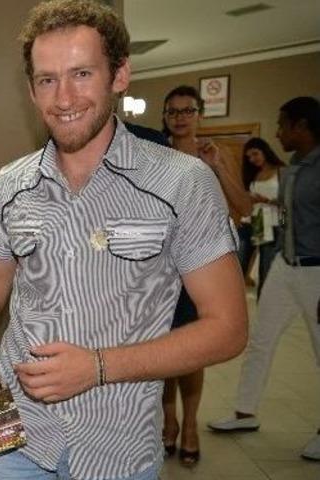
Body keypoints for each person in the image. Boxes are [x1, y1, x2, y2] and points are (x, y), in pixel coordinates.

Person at [0, 1, 247, 478]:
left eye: (81, 74)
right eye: (47, 79)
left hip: (118, 448)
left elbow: (228, 328)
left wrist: (97, 366)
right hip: (12, 440)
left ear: (119, 75)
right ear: (30, 89)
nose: (64, 98)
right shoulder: (11, 184)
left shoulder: (183, 182)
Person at [208, 96, 320, 462]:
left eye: (283, 125)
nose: (277, 132)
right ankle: (245, 412)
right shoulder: (296, 169)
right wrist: (219, 166)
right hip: (287, 267)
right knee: (260, 340)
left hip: (317, 271)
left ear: (302, 126)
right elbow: (246, 206)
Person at [158, 85, 252, 466]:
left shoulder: (216, 154)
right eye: (173, 111)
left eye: (187, 110)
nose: (180, 117)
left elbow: (243, 206)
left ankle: (191, 424)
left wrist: (215, 168)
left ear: (200, 115)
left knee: (192, 352)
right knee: (163, 347)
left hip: (203, 265)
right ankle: (169, 422)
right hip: (163, 265)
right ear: (165, 116)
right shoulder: (154, 155)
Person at [236, 137, 285, 295]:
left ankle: (264, 307)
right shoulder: (253, 173)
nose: (252, 159)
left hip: (271, 223)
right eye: (249, 157)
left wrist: (265, 200)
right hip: (252, 221)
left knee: (266, 269)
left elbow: (289, 203)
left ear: (265, 151)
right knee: (237, 266)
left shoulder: (281, 171)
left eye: (255, 154)